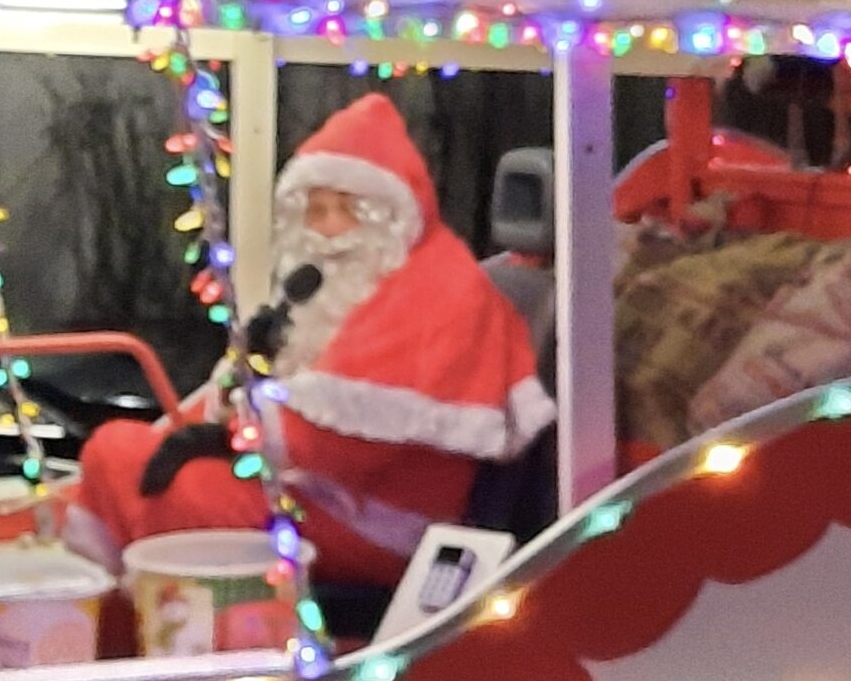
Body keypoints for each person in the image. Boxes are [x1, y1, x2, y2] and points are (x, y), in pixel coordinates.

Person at [64, 94, 553, 587]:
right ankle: (113, 602)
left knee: (157, 477)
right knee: (116, 450)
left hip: (380, 521)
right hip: (317, 488)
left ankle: (119, 607)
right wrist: (229, 393)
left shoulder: (440, 291)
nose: (328, 229)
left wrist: (228, 432)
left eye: (347, 210)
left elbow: (344, 442)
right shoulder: (342, 285)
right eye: (316, 210)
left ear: (386, 215)